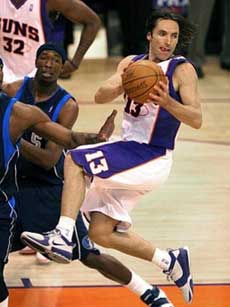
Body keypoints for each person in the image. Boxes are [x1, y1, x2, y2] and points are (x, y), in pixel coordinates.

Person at [21, 9, 203, 304]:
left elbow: (196, 119)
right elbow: (100, 95)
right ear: (149, 35)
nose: (168, 41)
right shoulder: (131, 63)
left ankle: (62, 234)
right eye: (162, 34)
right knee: (101, 232)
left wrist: (167, 101)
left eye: (174, 36)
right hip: (129, 150)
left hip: (152, 154)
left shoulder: (182, 70)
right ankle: (170, 261)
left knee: (75, 159)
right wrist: (123, 81)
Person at [1, 47, 174, 307]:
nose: (48, 64)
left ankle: (149, 292)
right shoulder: (14, 90)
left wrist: (12, 137)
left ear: (64, 68)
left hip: (48, 190)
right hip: (14, 188)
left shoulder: (63, 104)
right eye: (44, 58)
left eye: (56, 60)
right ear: (34, 62)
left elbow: (53, 156)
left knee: (89, 255)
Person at [0, 55, 117, 307]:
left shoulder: (19, 113)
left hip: (10, 201)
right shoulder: (18, 97)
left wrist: (97, 138)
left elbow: (69, 140)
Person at [0, 0, 101, 82]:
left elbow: (93, 22)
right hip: (3, 79)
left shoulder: (50, 2)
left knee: (70, 106)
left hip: (36, 82)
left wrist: (75, 63)